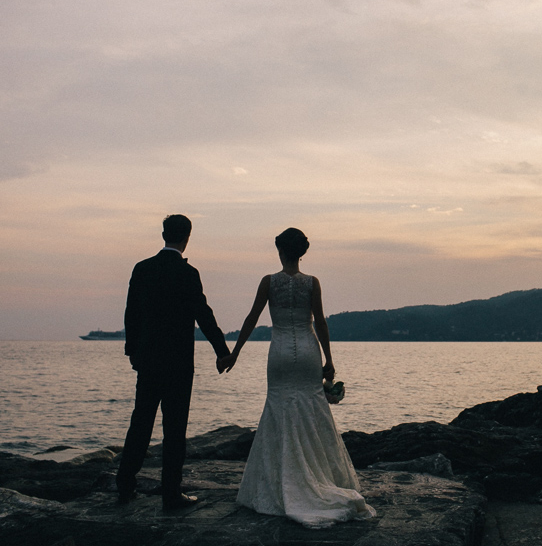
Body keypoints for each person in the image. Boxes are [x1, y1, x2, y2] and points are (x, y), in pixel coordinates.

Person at [219, 227, 376, 528]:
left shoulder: (268, 282)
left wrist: (235, 353)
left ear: (280, 251)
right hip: (307, 351)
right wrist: (329, 360)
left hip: (279, 352)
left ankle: (281, 483)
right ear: (301, 253)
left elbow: (251, 318)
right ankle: (319, 477)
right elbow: (320, 322)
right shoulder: (312, 283)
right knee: (312, 409)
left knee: (279, 407)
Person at [116, 214, 232, 510]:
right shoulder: (188, 273)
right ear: (187, 237)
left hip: (148, 361)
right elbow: (203, 314)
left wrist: (133, 352)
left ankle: (124, 485)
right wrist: (221, 350)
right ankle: (171, 493)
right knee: (174, 430)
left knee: (140, 423)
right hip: (179, 364)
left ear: (163, 234)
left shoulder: (142, 269)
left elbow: (132, 314)